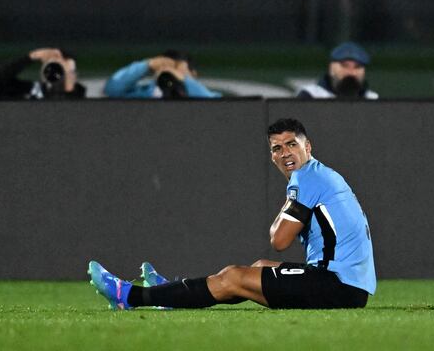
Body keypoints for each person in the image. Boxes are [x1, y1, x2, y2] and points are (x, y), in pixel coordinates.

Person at [88, 117, 376, 310]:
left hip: (337, 285)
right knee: (257, 267)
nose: (285, 153)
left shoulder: (307, 177)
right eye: (277, 148)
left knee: (234, 276)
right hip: (345, 283)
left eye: (292, 144)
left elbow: (279, 239)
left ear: (307, 147)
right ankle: (174, 294)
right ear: (272, 155)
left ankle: (129, 296)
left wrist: (287, 209)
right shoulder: (320, 174)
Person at [104, 50, 221, 99]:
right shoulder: (145, 93)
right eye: (164, 67)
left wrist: (183, 81)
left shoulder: (210, 96)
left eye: (176, 67)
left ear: (193, 74)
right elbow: (112, 89)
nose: (168, 71)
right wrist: (146, 65)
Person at [296, 42, 379, 99]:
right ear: (331, 68)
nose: (351, 72)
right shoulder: (311, 95)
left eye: (357, 67)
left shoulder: (372, 98)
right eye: (345, 65)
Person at [0, 47, 86, 99]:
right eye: (50, 62)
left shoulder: (77, 93)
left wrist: (68, 82)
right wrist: (32, 56)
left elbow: (67, 113)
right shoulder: (20, 88)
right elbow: (0, 76)